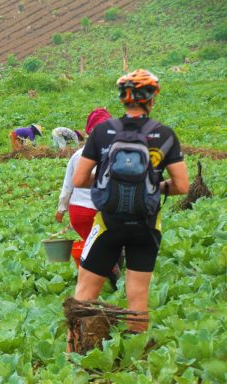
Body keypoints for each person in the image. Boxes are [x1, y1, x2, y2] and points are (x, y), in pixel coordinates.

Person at [71, 69, 189, 335]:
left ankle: (73, 354)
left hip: (109, 224)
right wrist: (152, 187)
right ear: (152, 99)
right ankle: (136, 359)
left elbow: (79, 180)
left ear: (123, 98)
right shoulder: (164, 135)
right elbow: (182, 186)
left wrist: (107, 182)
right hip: (146, 226)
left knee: (84, 294)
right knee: (137, 298)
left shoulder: (102, 132)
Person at [55, 108, 117, 285]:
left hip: (78, 214)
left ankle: (91, 280)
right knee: (108, 251)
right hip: (101, 213)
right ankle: (112, 281)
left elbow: (68, 188)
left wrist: (61, 210)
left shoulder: (77, 155)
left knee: (93, 247)